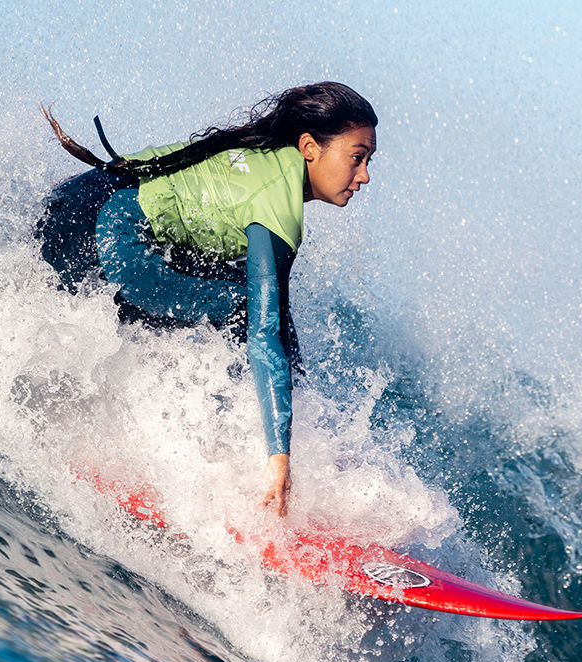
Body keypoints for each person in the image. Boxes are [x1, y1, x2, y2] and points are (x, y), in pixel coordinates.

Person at [35, 82, 378, 517]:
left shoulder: (262, 152)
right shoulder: (277, 210)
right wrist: (281, 456)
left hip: (73, 207)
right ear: (310, 147)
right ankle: (252, 460)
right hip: (105, 237)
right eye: (357, 156)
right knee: (251, 310)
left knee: (249, 294)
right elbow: (264, 334)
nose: (364, 175)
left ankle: (302, 443)